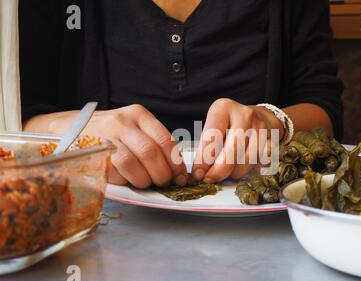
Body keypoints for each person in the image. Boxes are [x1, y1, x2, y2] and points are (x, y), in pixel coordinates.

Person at [20, 0, 343, 188]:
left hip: (260, 221)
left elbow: (325, 109)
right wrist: (76, 129)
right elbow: (14, 116)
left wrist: (273, 121)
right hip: (90, 220)